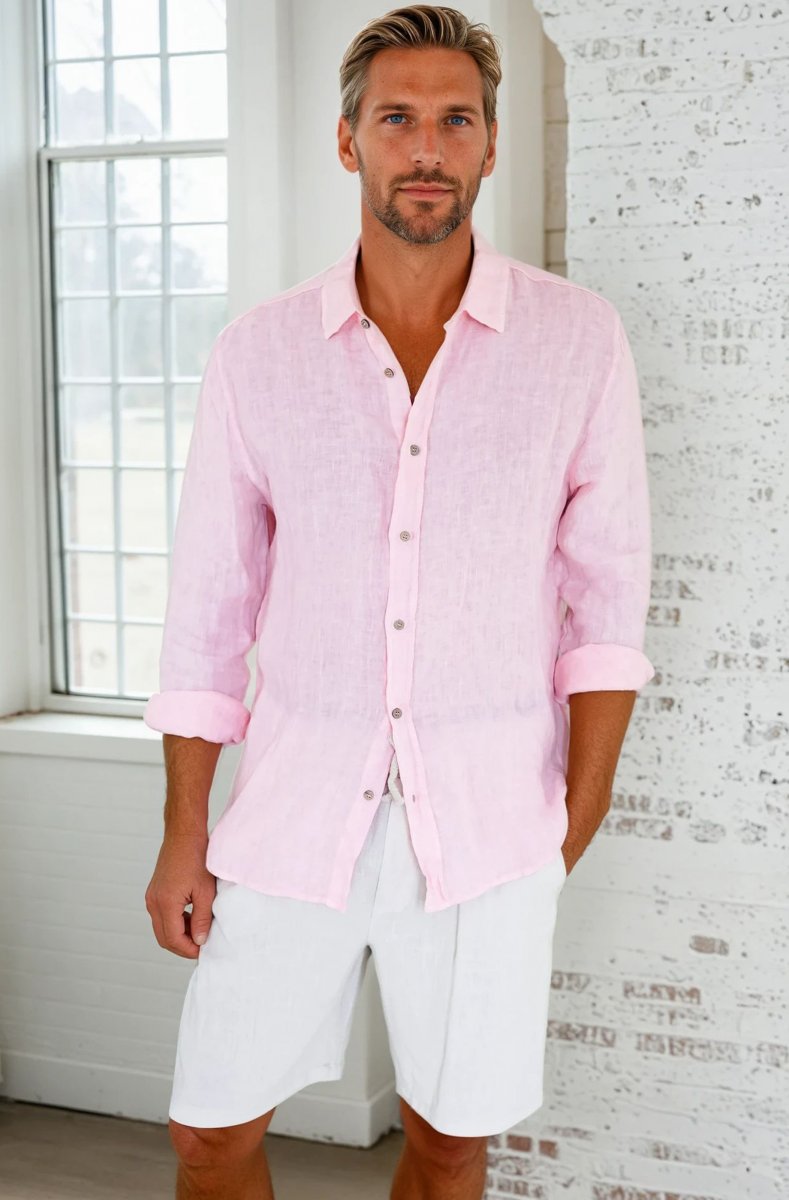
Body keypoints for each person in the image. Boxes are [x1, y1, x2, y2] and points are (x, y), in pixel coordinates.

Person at [143, 5, 655, 1198]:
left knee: (450, 1143)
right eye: (397, 119)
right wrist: (183, 831)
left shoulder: (578, 343)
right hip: (289, 814)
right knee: (210, 1132)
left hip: (489, 827)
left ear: (490, 145)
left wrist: (569, 824)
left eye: (456, 121)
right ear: (348, 141)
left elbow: (607, 605)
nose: (427, 147)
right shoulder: (258, 355)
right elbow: (208, 613)